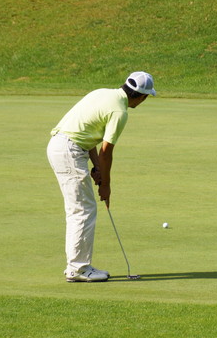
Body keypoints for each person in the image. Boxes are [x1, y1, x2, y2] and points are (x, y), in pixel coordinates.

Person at [46, 71, 156, 282]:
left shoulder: (102, 93)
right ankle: (78, 269)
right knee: (83, 210)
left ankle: (77, 267)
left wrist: (96, 168)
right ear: (141, 97)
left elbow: (88, 136)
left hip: (61, 146)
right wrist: (106, 184)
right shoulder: (120, 112)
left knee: (79, 208)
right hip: (70, 150)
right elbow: (106, 151)